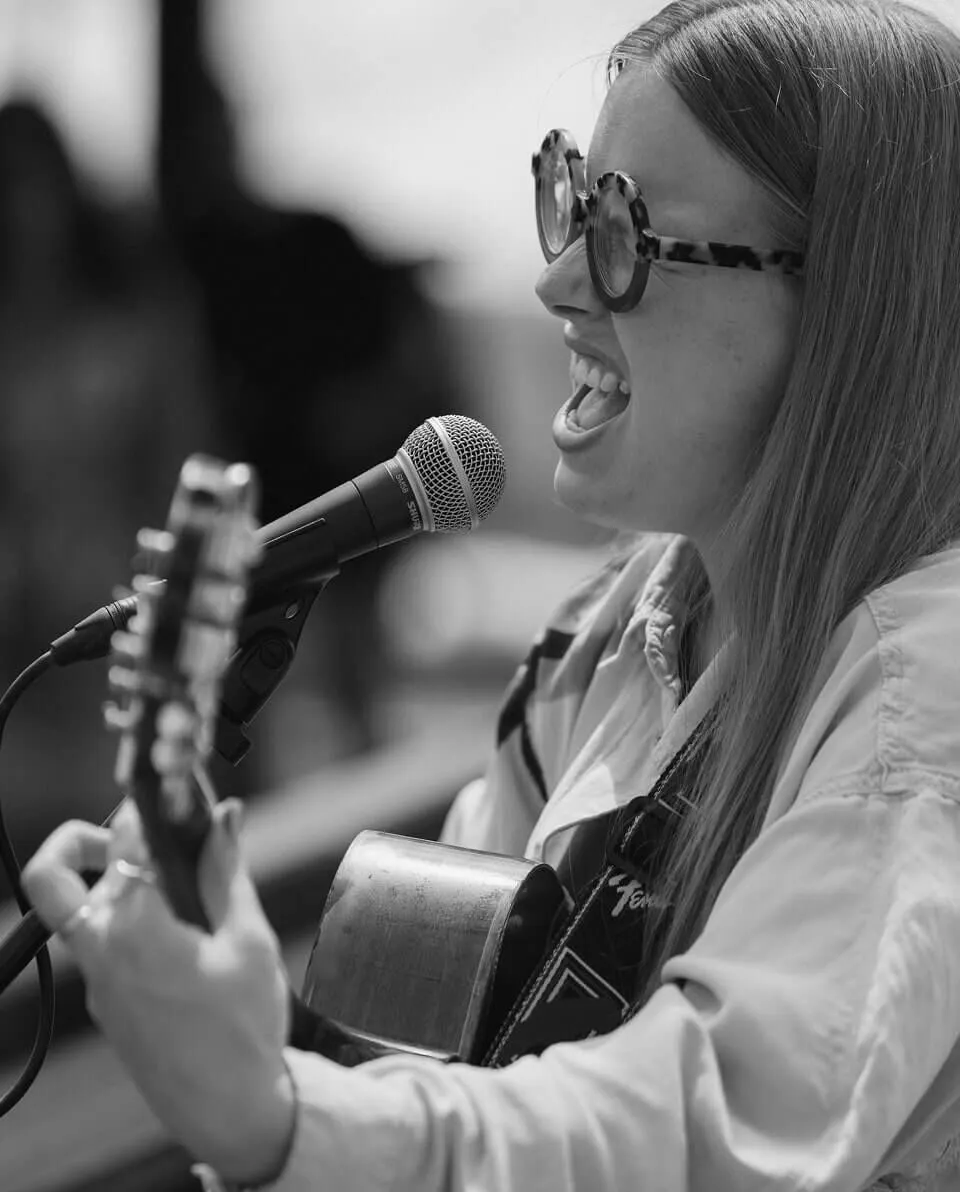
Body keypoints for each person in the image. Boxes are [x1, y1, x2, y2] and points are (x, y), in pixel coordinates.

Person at [19, 0, 960, 1188]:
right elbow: (445, 1042)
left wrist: (273, 1113)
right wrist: (258, 1052)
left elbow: (700, 1137)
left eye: (627, 230)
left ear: (846, 309)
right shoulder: (614, 635)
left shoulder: (927, 696)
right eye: (572, 194)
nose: (559, 280)